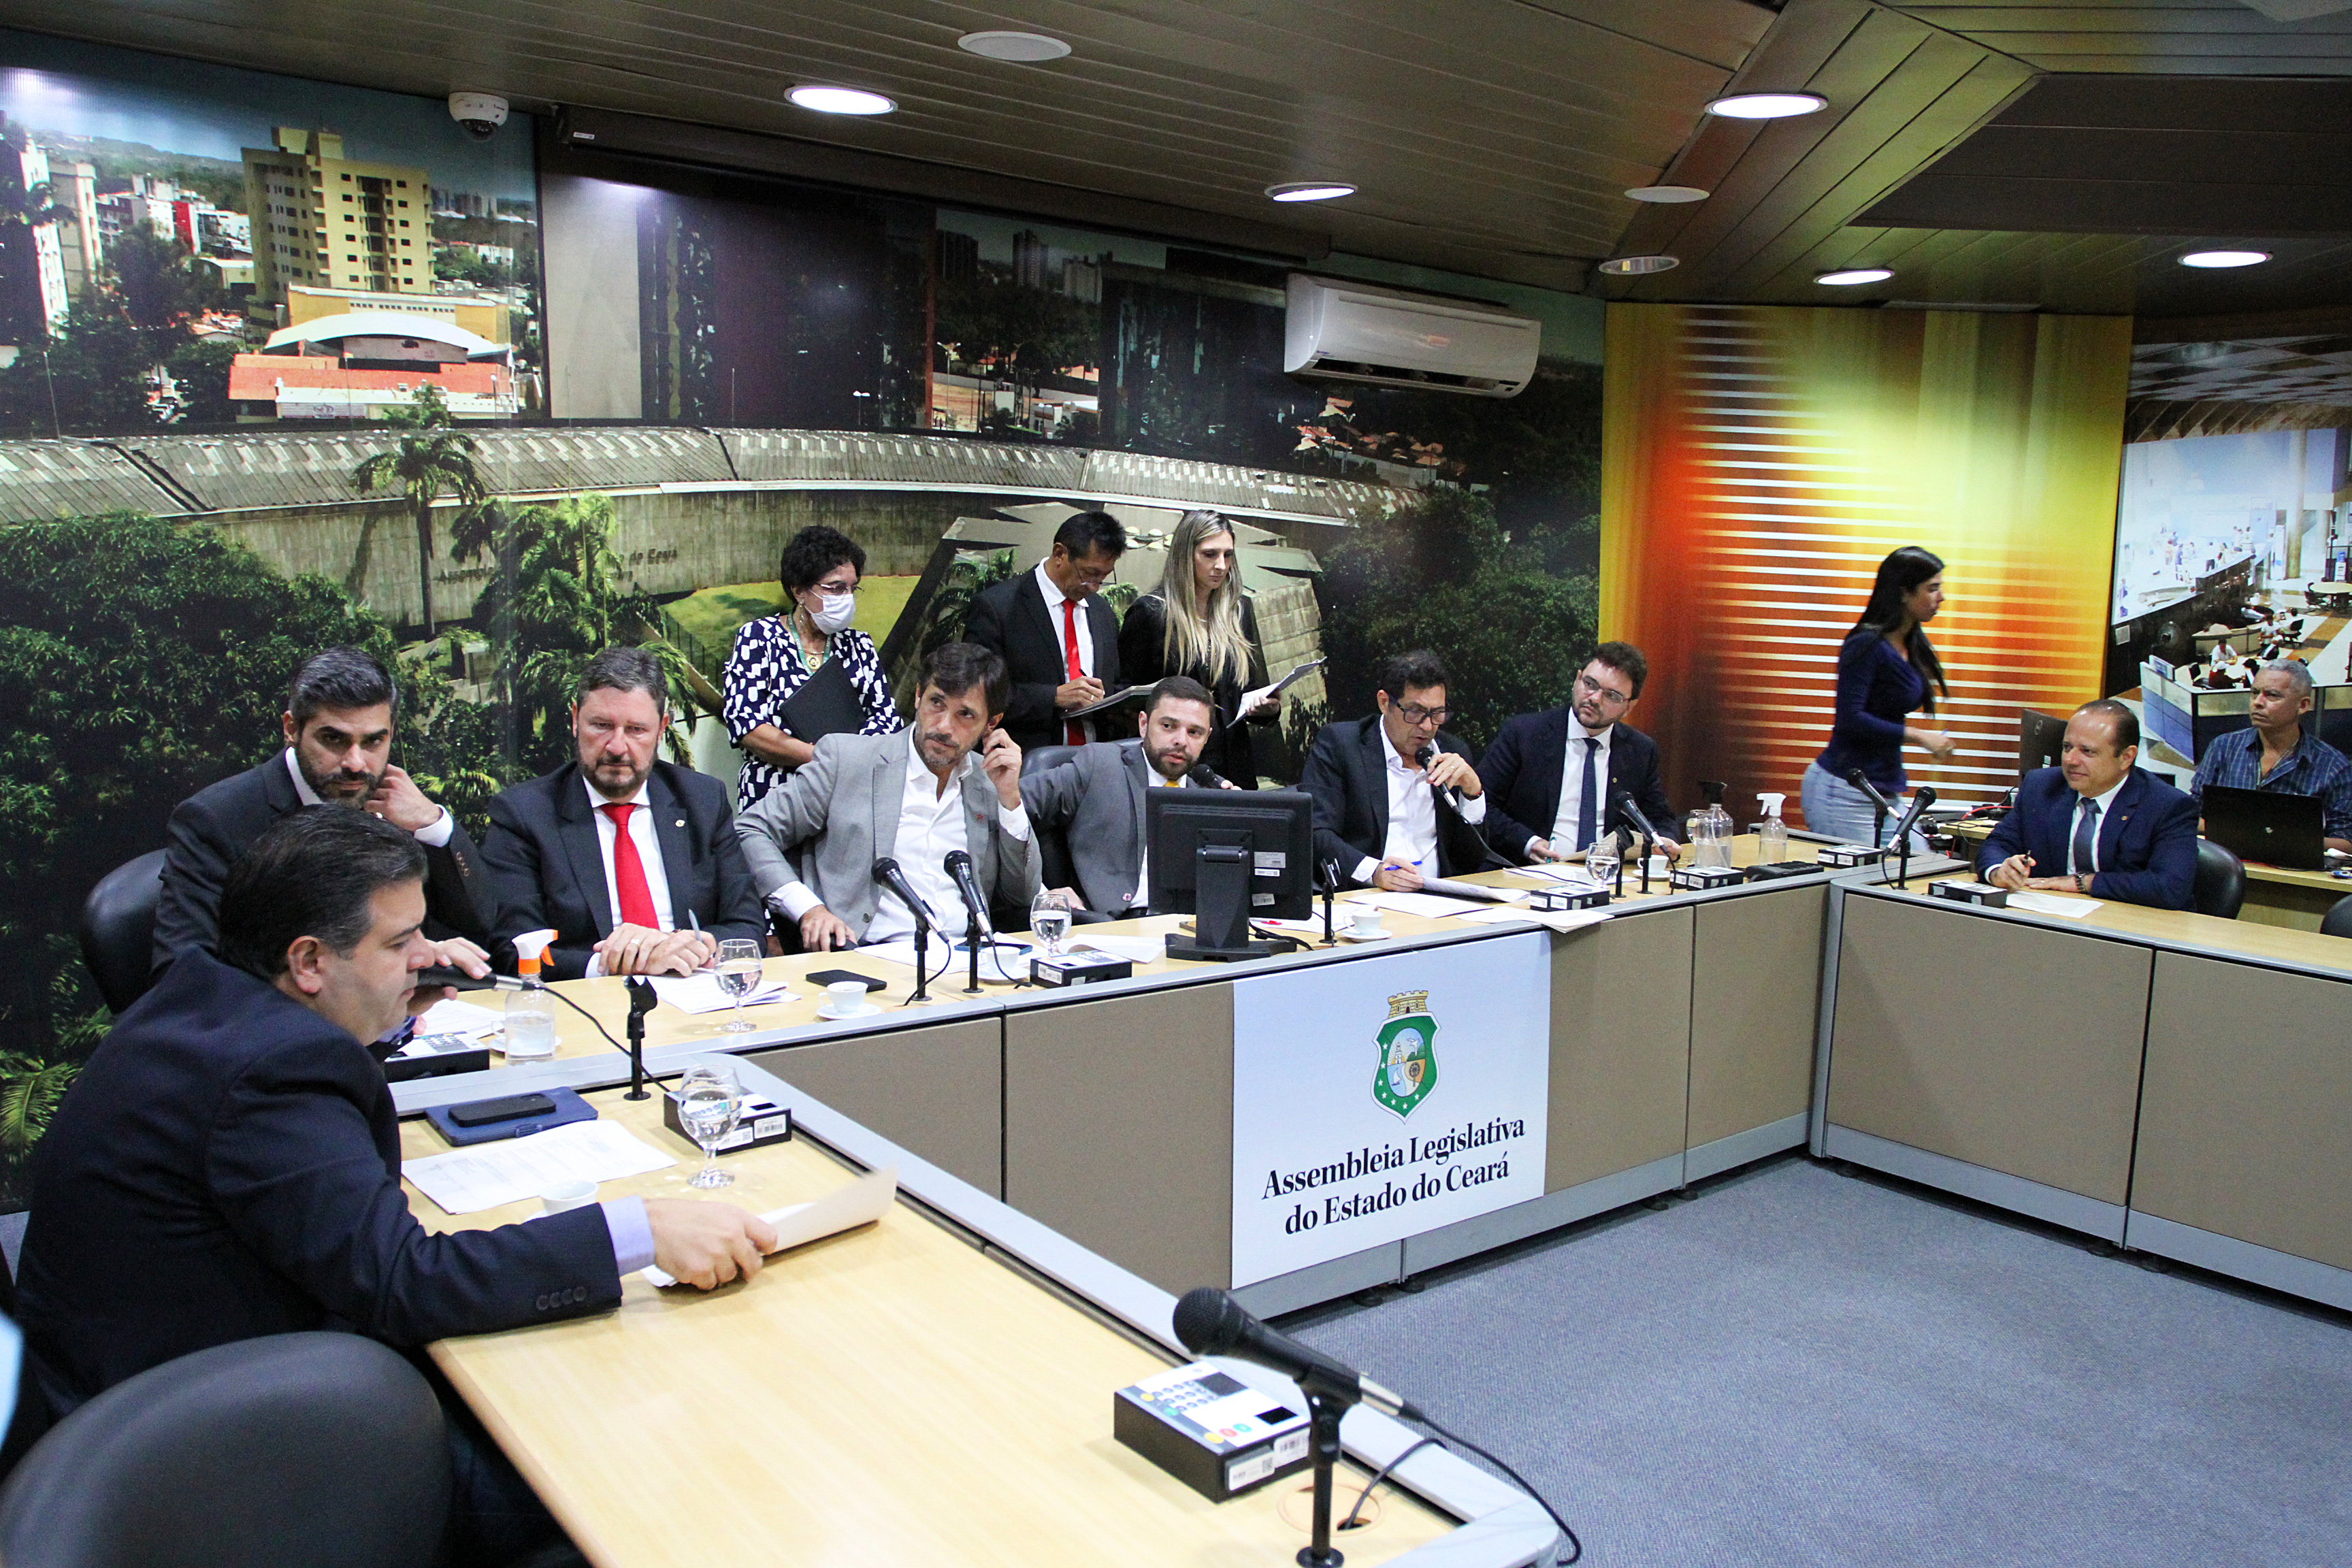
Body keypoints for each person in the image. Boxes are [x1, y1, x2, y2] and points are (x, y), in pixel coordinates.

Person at [16, 808, 776, 1564]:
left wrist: (378, 1016)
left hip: (119, 1383)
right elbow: (401, 1283)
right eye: (400, 941)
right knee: (615, 1468)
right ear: (309, 961)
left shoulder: (207, 994)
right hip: (190, 1457)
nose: (427, 957)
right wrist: (640, 1230)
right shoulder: (274, 1076)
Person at [153, 645, 491, 981]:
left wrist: (433, 826)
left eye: (373, 742)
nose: (355, 763)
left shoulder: (400, 808)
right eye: (334, 739)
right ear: (291, 728)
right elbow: (183, 974)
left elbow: (483, 923)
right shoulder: (217, 820)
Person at [480, 647, 768, 980]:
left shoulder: (702, 800)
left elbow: (747, 926)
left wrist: (692, 946)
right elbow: (513, 949)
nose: (617, 747)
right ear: (575, 719)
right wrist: (618, 963)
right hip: (591, 998)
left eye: (636, 730)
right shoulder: (524, 814)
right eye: (601, 726)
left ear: (662, 728)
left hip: (692, 987)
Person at [734, 642, 1041, 951]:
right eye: (936, 703)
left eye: (965, 714)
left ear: (991, 723)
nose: (944, 727)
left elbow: (1023, 895)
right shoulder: (848, 761)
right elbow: (751, 830)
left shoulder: (989, 780)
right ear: (918, 696)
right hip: (867, 953)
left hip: (966, 956)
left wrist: (1010, 801)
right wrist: (808, 909)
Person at [1020, 676, 1238, 916]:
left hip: (1190, 923)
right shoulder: (1099, 765)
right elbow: (1009, 809)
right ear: (1143, 724)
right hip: (1113, 924)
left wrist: (1239, 827)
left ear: (1206, 738)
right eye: (1168, 726)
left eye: (1194, 732)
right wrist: (1043, 894)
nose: (1181, 741)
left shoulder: (1211, 792)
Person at [721, 525, 900, 814]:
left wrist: (847, 759)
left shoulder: (859, 645)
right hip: (774, 796)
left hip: (846, 797)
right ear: (800, 591)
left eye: (852, 588)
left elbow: (886, 719)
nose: (847, 597)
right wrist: (822, 757)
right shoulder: (758, 638)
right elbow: (747, 726)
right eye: (836, 588)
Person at [1802, 546, 1958, 845]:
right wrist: (1920, 736)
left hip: (1883, 792)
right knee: (1861, 872)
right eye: (1932, 588)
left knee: (1920, 864)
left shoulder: (1910, 643)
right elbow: (1851, 719)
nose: (1941, 597)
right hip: (1843, 792)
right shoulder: (1866, 645)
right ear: (1904, 593)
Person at [1300, 650, 1491, 890]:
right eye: (1415, 712)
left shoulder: (1452, 752)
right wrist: (1375, 873)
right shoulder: (1342, 746)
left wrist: (1473, 793)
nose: (1427, 726)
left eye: (1437, 713)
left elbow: (1470, 861)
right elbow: (1316, 832)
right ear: (1384, 703)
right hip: (1367, 897)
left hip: (1439, 897)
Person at [1980, 700, 2197, 910]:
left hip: (2132, 923)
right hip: (2050, 916)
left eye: (2088, 751)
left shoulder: (2167, 805)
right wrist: (1999, 872)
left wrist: (2083, 882)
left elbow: (2170, 887)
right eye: (2067, 747)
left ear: (2126, 757)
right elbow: (1998, 844)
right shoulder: (2041, 786)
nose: (2070, 760)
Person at [1477, 642, 1680, 864]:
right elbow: (1481, 805)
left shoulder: (1640, 750)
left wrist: (1665, 841)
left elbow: (1659, 818)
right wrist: (1528, 842)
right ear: (1577, 679)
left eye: (1612, 695)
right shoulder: (1524, 734)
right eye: (1590, 684)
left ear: (1629, 707)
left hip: (1606, 873)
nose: (1594, 698)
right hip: (1529, 870)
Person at [1115, 509, 1276, 787]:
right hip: (1173, 767)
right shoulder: (1151, 613)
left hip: (1234, 763)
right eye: (1210, 554)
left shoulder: (1239, 610)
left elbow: (1248, 689)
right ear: (1185, 555)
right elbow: (1124, 701)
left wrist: (1268, 709)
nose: (1221, 565)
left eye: (1228, 555)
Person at [964, 509, 1126, 753]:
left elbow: (1112, 683)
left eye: (1103, 577)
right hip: (1024, 759)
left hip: (1094, 760)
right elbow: (977, 693)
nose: (1094, 587)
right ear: (1060, 554)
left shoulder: (1101, 612)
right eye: (1089, 574)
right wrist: (1053, 697)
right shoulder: (998, 608)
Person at [2191, 659, 2352, 853]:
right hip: (2227, 863)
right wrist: (2243, 832)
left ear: (2303, 705)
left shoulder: (2333, 766)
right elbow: (2190, 813)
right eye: (2255, 693)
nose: (2258, 702)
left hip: (2291, 868)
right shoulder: (2224, 747)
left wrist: (2282, 839)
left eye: (2272, 695)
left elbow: (2346, 842)